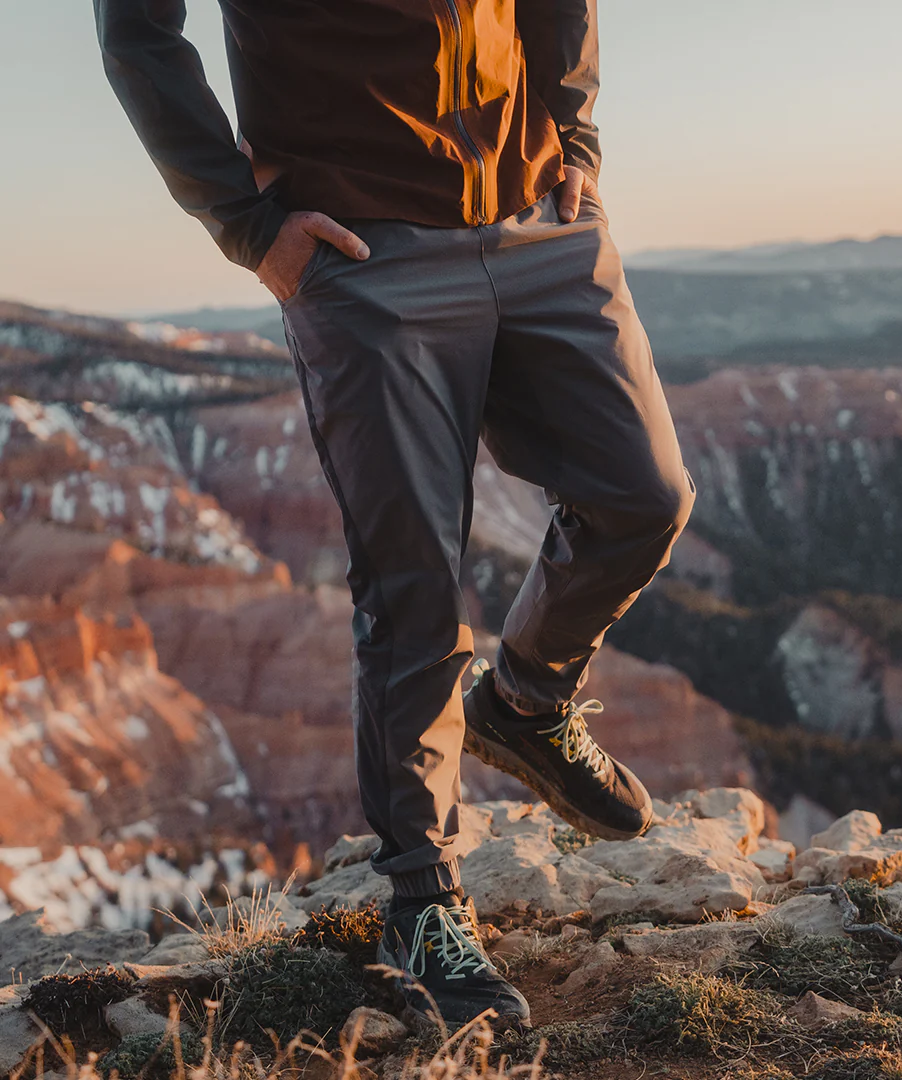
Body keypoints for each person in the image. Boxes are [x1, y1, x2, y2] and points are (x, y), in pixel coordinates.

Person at [95, 0, 695, 1030]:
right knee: (413, 577)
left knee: (644, 496)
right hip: (365, 251)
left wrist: (577, 133)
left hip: (540, 219)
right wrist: (245, 224)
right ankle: (422, 901)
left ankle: (526, 701)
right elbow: (138, 29)